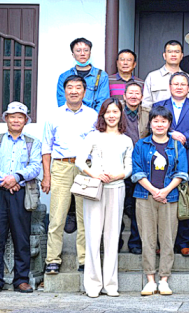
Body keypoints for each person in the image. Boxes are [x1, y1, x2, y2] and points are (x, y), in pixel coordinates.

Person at [0, 102, 42, 294]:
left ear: (25, 121)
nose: (16, 120)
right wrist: (5, 180)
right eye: (12, 116)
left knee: (21, 237)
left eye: (20, 117)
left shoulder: (33, 143)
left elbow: (35, 167)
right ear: (6, 119)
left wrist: (16, 178)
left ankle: (21, 280)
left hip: (21, 193)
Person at [76, 98, 134, 298]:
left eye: (115, 112)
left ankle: (110, 284)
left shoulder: (126, 140)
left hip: (117, 188)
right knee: (93, 236)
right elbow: (79, 161)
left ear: (120, 114)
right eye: (108, 112)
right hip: (94, 189)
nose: (111, 115)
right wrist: (95, 174)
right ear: (103, 114)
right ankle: (92, 284)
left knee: (112, 237)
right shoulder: (94, 136)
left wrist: (118, 176)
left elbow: (129, 168)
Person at [42, 75, 98, 275]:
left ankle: (84, 259)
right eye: (70, 87)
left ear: (84, 91)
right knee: (57, 215)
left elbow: (98, 145)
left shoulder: (93, 115)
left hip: (86, 168)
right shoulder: (54, 116)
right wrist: (46, 176)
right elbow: (46, 148)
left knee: (85, 216)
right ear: (64, 91)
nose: (74, 91)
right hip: (61, 167)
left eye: (78, 87)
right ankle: (52, 260)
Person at [131, 106, 189, 296]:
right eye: (156, 121)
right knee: (147, 239)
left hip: (170, 198)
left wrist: (164, 191)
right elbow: (137, 171)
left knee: (167, 239)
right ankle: (150, 279)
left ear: (169, 124)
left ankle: (164, 279)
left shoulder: (176, 146)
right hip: (144, 197)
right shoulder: (141, 145)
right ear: (150, 123)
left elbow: (181, 173)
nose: (159, 124)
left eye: (163, 121)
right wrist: (155, 191)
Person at [154, 72, 189, 257]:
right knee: (165, 202)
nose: (179, 87)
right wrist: (170, 134)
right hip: (163, 161)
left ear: (188, 88)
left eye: (183, 84)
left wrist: (184, 137)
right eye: (175, 84)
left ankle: (184, 242)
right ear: (169, 86)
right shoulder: (159, 106)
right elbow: (153, 127)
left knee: (186, 201)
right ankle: (164, 242)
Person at [119, 82, 150, 255]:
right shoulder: (117, 111)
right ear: (124, 96)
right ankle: (116, 241)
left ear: (141, 96)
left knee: (139, 206)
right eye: (130, 93)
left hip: (141, 165)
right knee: (120, 205)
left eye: (137, 93)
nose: (133, 96)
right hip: (119, 165)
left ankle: (136, 242)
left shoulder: (147, 113)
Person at [56, 37, 110, 112]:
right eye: (78, 51)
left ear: (90, 53)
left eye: (86, 50)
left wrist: (93, 118)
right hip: (69, 118)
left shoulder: (101, 76)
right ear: (73, 54)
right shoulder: (64, 76)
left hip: (93, 119)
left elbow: (103, 101)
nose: (82, 53)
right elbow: (62, 100)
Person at [143, 40, 189, 109]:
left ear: (181, 56)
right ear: (164, 55)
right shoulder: (152, 77)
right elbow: (146, 106)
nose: (173, 55)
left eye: (177, 52)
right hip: (159, 118)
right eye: (170, 52)